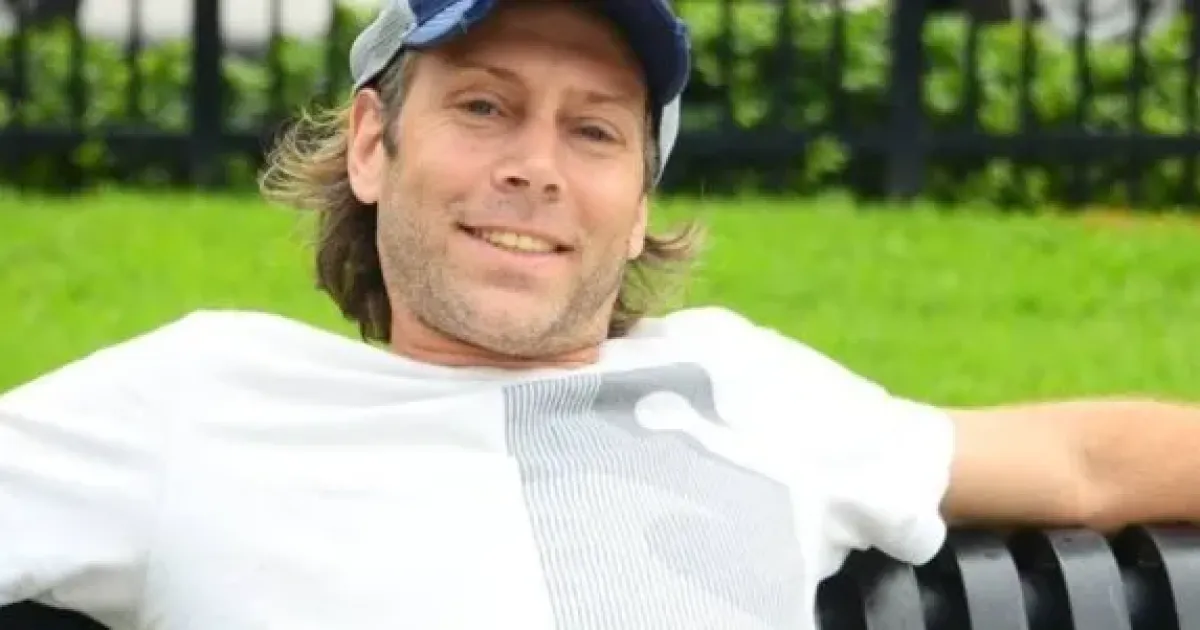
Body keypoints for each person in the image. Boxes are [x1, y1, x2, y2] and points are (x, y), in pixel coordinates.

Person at [2, 0, 1199, 628]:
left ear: (637, 208)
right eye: (484, 107)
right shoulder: (201, 402)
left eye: (592, 130)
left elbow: (1086, 465)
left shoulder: (746, 392)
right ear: (372, 144)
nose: (535, 168)